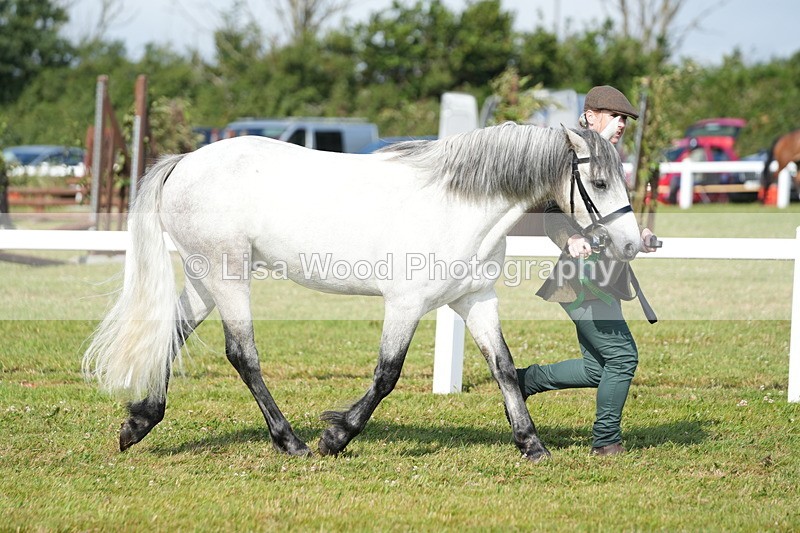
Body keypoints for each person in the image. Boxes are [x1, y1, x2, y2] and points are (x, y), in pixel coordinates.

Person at [516, 85, 658, 456]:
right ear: (591, 116)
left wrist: (639, 236)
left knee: (598, 368)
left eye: (625, 119)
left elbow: (613, 216)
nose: (622, 124)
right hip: (582, 279)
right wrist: (571, 239)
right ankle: (606, 441)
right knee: (622, 358)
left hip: (606, 277)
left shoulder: (609, 157)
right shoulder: (572, 158)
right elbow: (551, 214)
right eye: (615, 116)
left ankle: (522, 382)